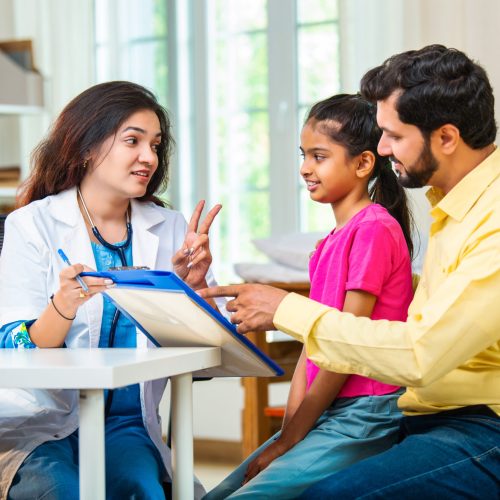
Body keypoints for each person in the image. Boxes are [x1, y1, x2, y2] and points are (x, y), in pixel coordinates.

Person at [200, 44, 500, 498]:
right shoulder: (451, 208)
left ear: (446, 137)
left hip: (480, 425)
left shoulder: (490, 220)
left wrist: (287, 309)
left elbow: (420, 355)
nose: (381, 149)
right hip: (425, 413)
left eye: (394, 136)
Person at [0, 81, 222, 500]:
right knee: (58, 492)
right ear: (85, 148)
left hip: (126, 423)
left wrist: (194, 291)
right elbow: (15, 345)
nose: (148, 157)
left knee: (141, 491)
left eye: (155, 145)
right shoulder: (31, 225)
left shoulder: (171, 228)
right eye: (132, 141)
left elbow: (211, 355)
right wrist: (62, 307)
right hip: (41, 421)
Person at [204, 93, 414, 499]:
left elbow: (345, 347)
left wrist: (291, 439)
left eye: (319, 156)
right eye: (303, 155)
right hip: (330, 411)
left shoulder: (373, 229)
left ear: (363, 163)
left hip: (364, 413)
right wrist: (287, 434)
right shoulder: (327, 246)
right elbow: (312, 349)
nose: (304, 168)